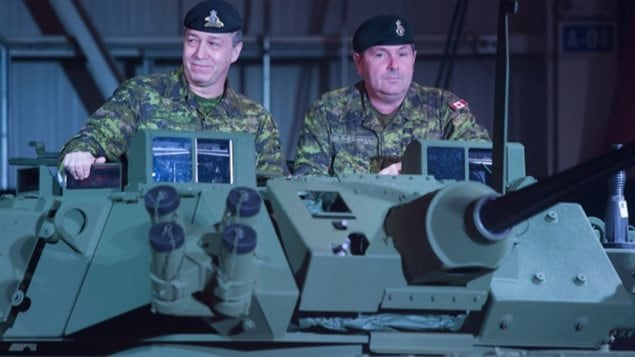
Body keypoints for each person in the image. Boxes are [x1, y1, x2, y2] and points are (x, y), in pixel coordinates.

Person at [60, 0, 288, 180]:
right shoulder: (141, 96)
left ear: (235, 52)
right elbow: (89, 139)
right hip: (148, 229)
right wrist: (81, 153)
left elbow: (274, 185)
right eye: (192, 41)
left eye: (213, 44)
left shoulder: (256, 120)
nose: (200, 54)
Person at [294, 14, 490, 176]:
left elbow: (481, 161)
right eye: (381, 54)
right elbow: (308, 185)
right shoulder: (328, 112)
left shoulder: (444, 109)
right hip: (354, 221)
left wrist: (415, 168)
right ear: (359, 62)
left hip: (425, 221)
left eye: (402, 54)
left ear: (413, 59)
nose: (394, 65)